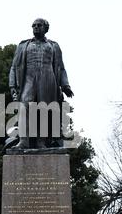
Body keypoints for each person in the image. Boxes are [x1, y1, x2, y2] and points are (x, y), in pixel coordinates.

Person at [9, 18, 74, 149]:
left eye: (39, 25)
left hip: (48, 79)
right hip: (29, 79)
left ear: (45, 28)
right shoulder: (23, 45)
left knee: (43, 110)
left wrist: (65, 85)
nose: (36, 27)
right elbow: (14, 67)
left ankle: (41, 141)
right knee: (24, 107)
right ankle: (24, 141)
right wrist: (12, 85)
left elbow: (60, 67)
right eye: (34, 25)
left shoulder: (53, 46)